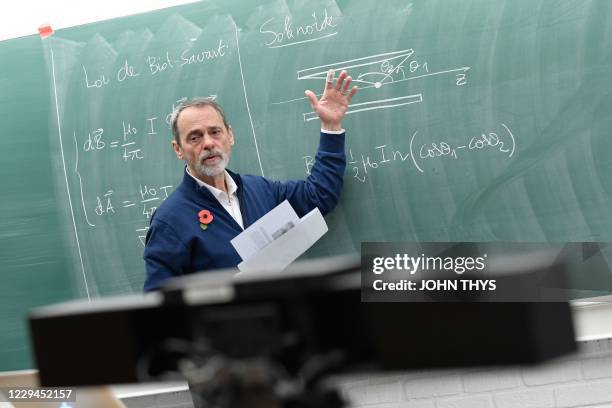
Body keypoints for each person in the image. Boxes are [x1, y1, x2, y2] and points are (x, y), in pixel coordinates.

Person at [143, 70, 358, 291]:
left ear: (230, 136)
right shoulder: (169, 221)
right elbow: (159, 303)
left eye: (215, 132)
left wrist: (331, 128)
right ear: (178, 149)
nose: (208, 143)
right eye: (195, 137)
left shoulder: (259, 190)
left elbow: (319, 195)